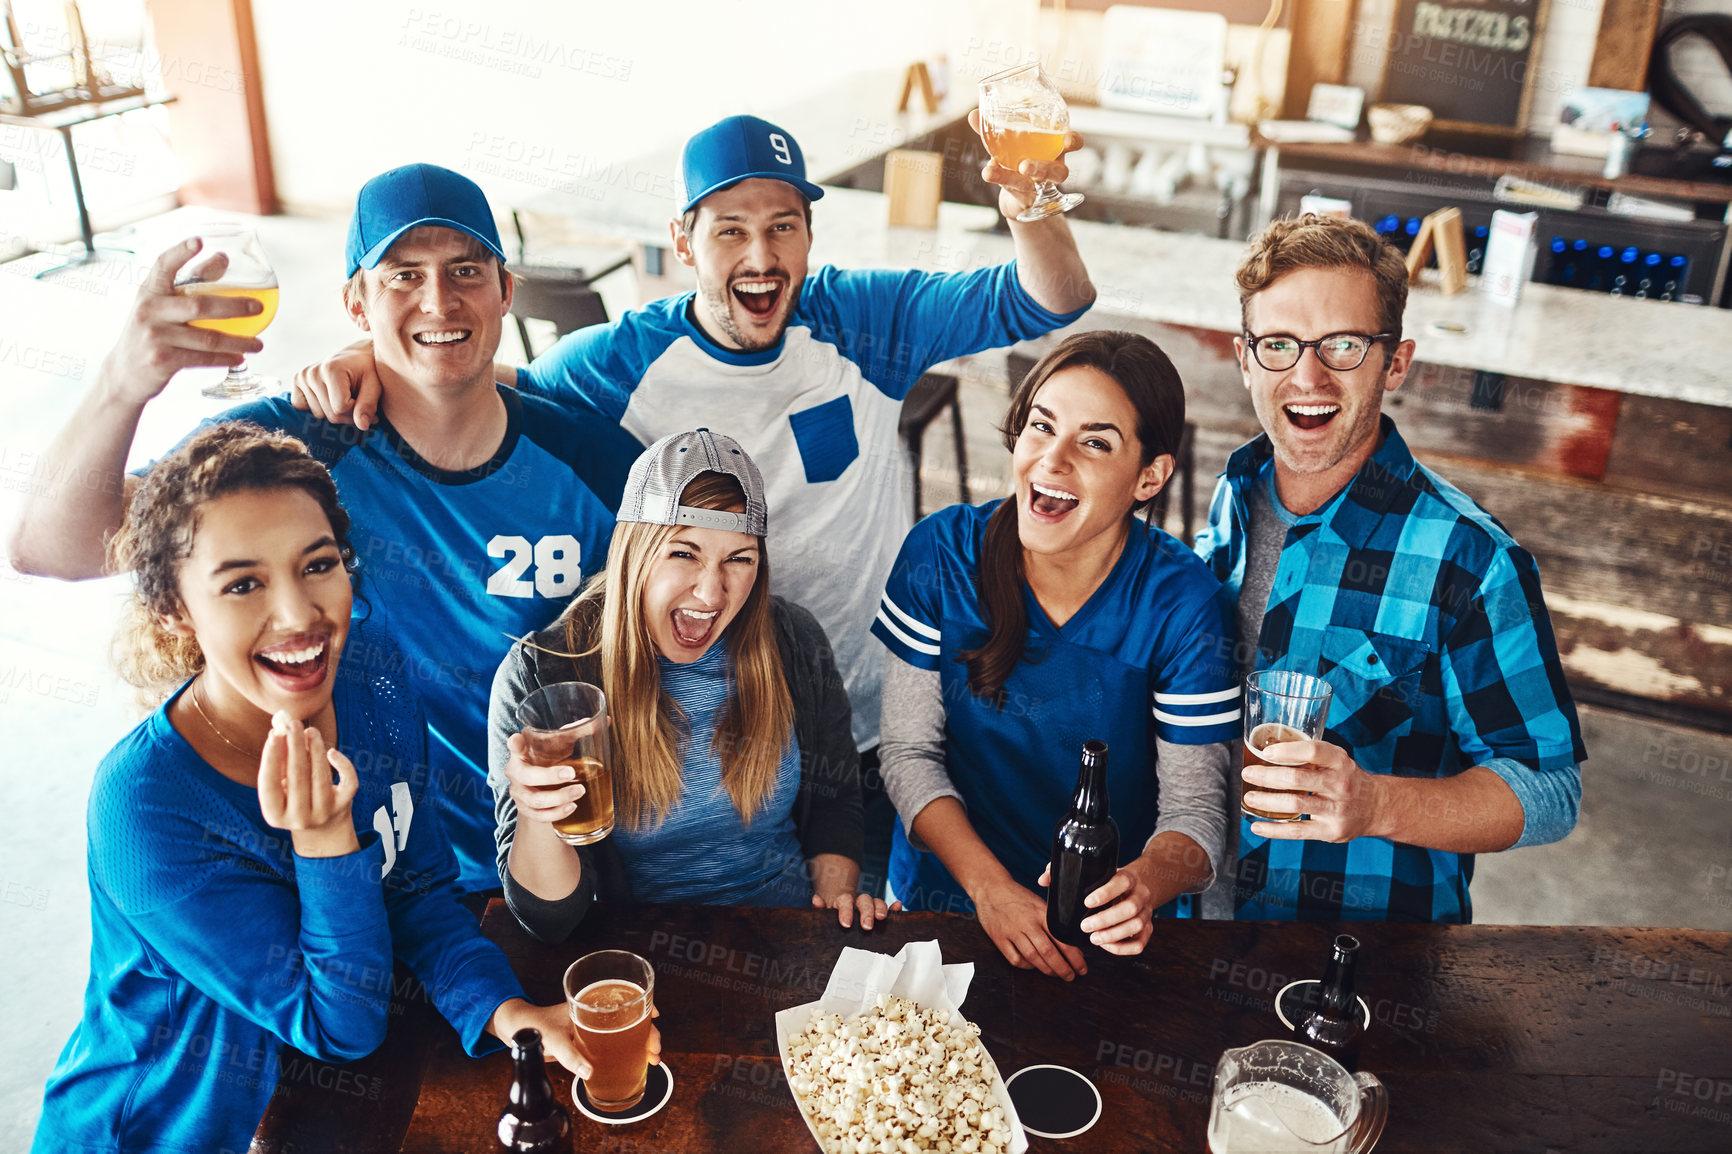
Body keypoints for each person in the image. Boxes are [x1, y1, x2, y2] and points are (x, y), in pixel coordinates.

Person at [291, 114, 1099, 889]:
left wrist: (1031, 202)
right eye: (729, 230)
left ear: (811, 236)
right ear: (683, 242)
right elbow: (489, 380)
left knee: (859, 916)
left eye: (784, 225)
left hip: (868, 709)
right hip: (722, 736)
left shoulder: (865, 319)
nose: (760, 254)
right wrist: (376, 352)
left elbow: (1053, 298)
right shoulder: (621, 360)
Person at [8, 164, 640, 893]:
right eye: (402, 275)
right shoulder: (289, 448)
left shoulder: (590, 460)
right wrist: (124, 380)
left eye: (465, 269)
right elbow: (51, 548)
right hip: (364, 872)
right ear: (356, 303)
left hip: (553, 864)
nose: (439, 299)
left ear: (505, 289)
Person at [32, 423, 647, 1154]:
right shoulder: (145, 804)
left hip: (330, 1113)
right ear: (175, 612)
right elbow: (343, 1026)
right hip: (174, 1131)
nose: (299, 616)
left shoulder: (372, 665)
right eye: (242, 583)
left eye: (317, 565)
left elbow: (417, 890)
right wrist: (324, 841)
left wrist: (509, 1012)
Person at [1195, 213, 1586, 923]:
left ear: (1395, 362)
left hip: (1360, 961)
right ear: (1246, 358)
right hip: (1190, 931)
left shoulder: (1470, 560)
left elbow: (1550, 793)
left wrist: (1375, 803)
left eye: (1342, 345)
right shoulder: (1233, 496)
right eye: (1279, 345)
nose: (1306, 376)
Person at [872, 332, 1239, 981]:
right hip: (946, 906)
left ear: (1149, 476)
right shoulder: (938, 555)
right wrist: (992, 892)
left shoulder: (1184, 606)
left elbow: (1196, 815)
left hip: (1100, 933)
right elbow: (907, 754)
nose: (1054, 458)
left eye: (1096, 442)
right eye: (1041, 426)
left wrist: (1143, 886)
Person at [489, 428, 894, 942]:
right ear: (635, 551)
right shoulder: (543, 674)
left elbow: (835, 798)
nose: (711, 590)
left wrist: (831, 913)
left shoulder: (793, 640)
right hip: (647, 957)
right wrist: (536, 813)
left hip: (789, 934)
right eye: (684, 553)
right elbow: (550, 920)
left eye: (739, 559)